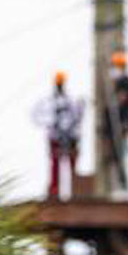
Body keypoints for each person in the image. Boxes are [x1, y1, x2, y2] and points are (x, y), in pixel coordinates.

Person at [33, 72, 84, 200]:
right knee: (55, 164)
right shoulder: (49, 102)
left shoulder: (71, 101)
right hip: (56, 137)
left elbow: (77, 117)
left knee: (71, 164)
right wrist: (51, 124)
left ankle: (74, 190)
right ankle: (54, 191)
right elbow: (37, 116)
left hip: (70, 137)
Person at [105, 51, 128, 188]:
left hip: (123, 123)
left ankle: (122, 180)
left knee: (120, 151)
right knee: (119, 150)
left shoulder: (126, 83)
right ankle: (120, 174)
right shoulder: (124, 82)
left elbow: (123, 100)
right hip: (122, 122)